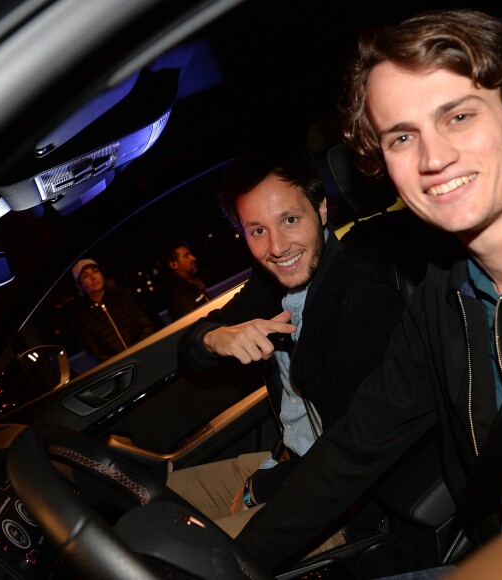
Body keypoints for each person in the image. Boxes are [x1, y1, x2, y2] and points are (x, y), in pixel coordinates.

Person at [235, 8, 502, 573]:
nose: (433, 159)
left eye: (459, 116)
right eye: (402, 137)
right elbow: (357, 443)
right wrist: (237, 562)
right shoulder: (446, 289)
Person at [166, 148, 403, 547]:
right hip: (285, 460)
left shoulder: (364, 300)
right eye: (258, 231)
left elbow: (351, 454)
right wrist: (216, 337)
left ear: (322, 210)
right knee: (150, 505)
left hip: (340, 503)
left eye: (290, 220)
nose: (277, 248)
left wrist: (264, 487)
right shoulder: (270, 283)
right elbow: (189, 349)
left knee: (188, 561)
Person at [71, 258, 154, 364]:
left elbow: (145, 325)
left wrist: (138, 350)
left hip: (146, 356)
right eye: (85, 276)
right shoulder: (81, 319)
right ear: (80, 285)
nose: (93, 277)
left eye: (95, 271)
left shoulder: (123, 296)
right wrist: (120, 364)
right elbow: (95, 353)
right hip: (119, 371)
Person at [162, 242, 211, 321]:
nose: (193, 258)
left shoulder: (194, 281)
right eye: (186, 255)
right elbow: (194, 321)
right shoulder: (177, 294)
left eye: (190, 254)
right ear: (174, 264)